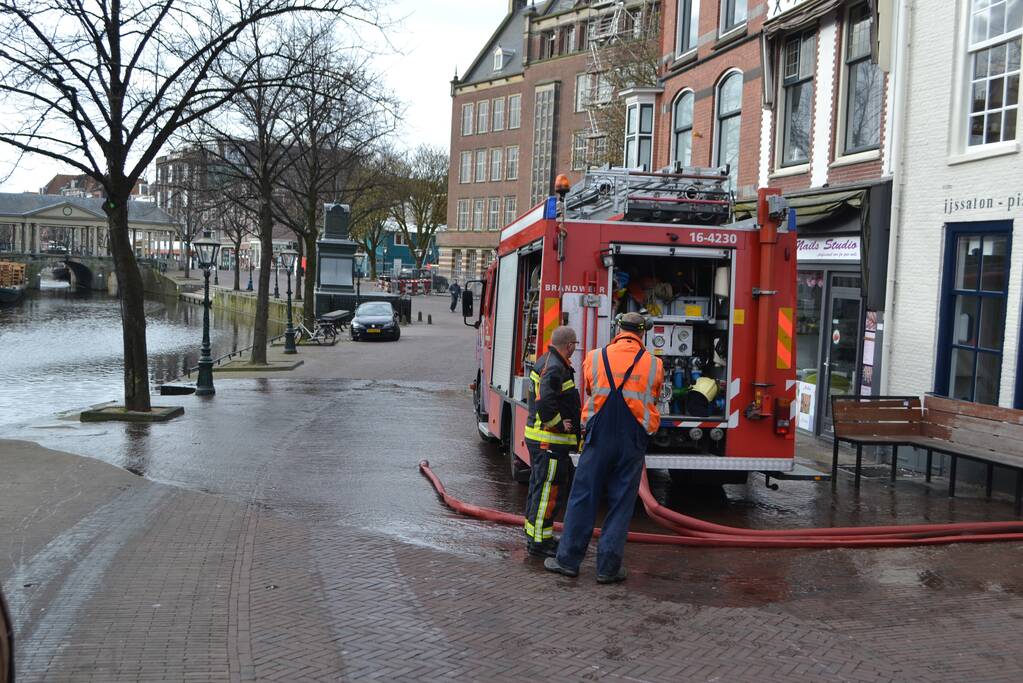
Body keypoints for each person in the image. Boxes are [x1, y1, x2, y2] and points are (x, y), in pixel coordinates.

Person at [544, 311, 663, 584]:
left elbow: (588, 388)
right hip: (632, 438)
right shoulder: (655, 364)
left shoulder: (595, 357)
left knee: (584, 496)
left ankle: (568, 561)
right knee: (621, 502)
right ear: (642, 333)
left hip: (598, 435)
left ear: (618, 329)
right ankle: (608, 569)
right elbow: (654, 395)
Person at [522, 326, 580, 558]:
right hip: (549, 443)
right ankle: (539, 543)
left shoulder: (550, 362)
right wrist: (558, 424)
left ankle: (537, 535)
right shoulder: (555, 367)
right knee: (548, 492)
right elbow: (545, 400)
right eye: (575, 344)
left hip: (545, 442)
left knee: (540, 488)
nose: (575, 348)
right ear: (569, 345)